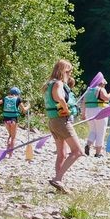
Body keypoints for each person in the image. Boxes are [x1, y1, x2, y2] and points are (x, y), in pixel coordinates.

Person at [43, 60, 84, 193]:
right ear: (62, 71)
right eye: (68, 71)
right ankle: (58, 179)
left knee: (62, 154)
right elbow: (60, 97)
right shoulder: (59, 83)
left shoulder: (49, 84)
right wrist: (66, 108)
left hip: (53, 121)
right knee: (78, 152)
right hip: (61, 121)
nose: (70, 74)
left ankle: (59, 185)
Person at [82, 78, 110, 157]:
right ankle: (98, 153)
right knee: (101, 132)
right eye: (104, 84)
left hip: (89, 112)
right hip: (99, 111)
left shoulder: (88, 90)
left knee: (93, 130)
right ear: (101, 83)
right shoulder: (101, 89)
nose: (104, 85)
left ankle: (88, 145)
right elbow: (107, 98)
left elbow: (83, 103)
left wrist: (83, 114)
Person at [0, 87, 28, 158]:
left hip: (6, 120)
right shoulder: (18, 99)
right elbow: (24, 110)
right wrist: (28, 106)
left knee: (10, 135)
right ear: (17, 94)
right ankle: (10, 155)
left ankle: (7, 151)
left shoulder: (5, 98)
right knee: (13, 137)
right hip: (13, 120)